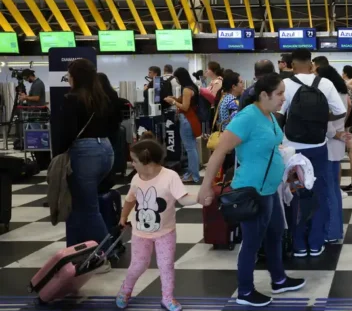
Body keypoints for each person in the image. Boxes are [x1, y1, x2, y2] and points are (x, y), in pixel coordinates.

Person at [197, 73, 306, 307]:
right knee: (252, 243)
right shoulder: (247, 117)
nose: (283, 98)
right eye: (279, 93)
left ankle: (278, 279)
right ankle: (245, 291)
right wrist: (205, 188)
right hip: (252, 190)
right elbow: (219, 152)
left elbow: (272, 146)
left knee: (275, 233)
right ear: (264, 95)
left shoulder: (269, 116)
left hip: (270, 189)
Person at [116, 139, 198, 311]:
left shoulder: (170, 177)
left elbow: (183, 199)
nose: (132, 164)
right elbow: (130, 199)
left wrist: (200, 198)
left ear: (147, 162)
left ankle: (167, 297)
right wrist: (123, 216)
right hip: (140, 233)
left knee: (166, 266)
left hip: (165, 232)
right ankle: (125, 289)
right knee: (138, 265)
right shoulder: (136, 178)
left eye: (134, 160)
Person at [280, 49, 346, 256]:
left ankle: (299, 244)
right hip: (318, 147)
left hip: (292, 150)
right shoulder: (325, 83)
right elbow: (341, 111)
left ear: (292, 65)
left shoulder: (286, 84)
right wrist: (320, 118)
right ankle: (316, 243)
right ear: (311, 65)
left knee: (296, 193)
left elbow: (278, 115)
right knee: (319, 193)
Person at [56, 59, 119, 246]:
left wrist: (58, 154)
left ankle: (107, 251)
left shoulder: (72, 99)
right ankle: (76, 247)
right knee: (79, 205)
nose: (68, 78)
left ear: (75, 77)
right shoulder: (103, 98)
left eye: (69, 75)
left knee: (89, 208)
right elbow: (113, 126)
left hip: (85, 154)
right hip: (106, 150)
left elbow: (67, 132)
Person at [317, 65, 350, 243]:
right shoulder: (342, 92)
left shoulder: (329, 93)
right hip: (338, 143)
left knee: (329, 190)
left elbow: (327, 121)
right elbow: (347, 109)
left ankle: (331, 231)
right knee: (334, 189)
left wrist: (334, 133)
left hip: (330, 142)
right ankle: (335, 230)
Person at [164, 68, 202, 184]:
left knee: (190, 148)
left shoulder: (186, 89)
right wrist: (175, 99)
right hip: (192, 119)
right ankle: (191, 173)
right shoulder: (192, 87)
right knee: (192, 148)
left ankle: (194, 175)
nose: (176, 80)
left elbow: (185, 107)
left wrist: (173, 102)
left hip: (186, 120)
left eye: (176, 78)